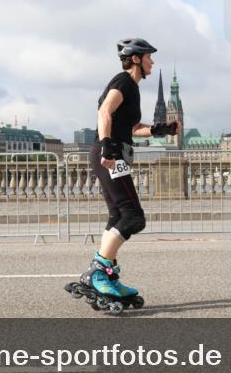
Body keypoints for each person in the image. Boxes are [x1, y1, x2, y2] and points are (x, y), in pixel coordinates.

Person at [65, 38, 177, 314]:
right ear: (137, 59)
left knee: (118, 216)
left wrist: (161, 130)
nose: (152, 62)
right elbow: (104, 111)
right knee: (133, 217)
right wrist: (107, 145)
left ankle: (108, 277)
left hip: (114, 153)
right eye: (150, 57)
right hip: (109, 154)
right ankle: (98, 273)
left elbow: (134, 126)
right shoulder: (124, 82)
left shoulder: (133, 89)